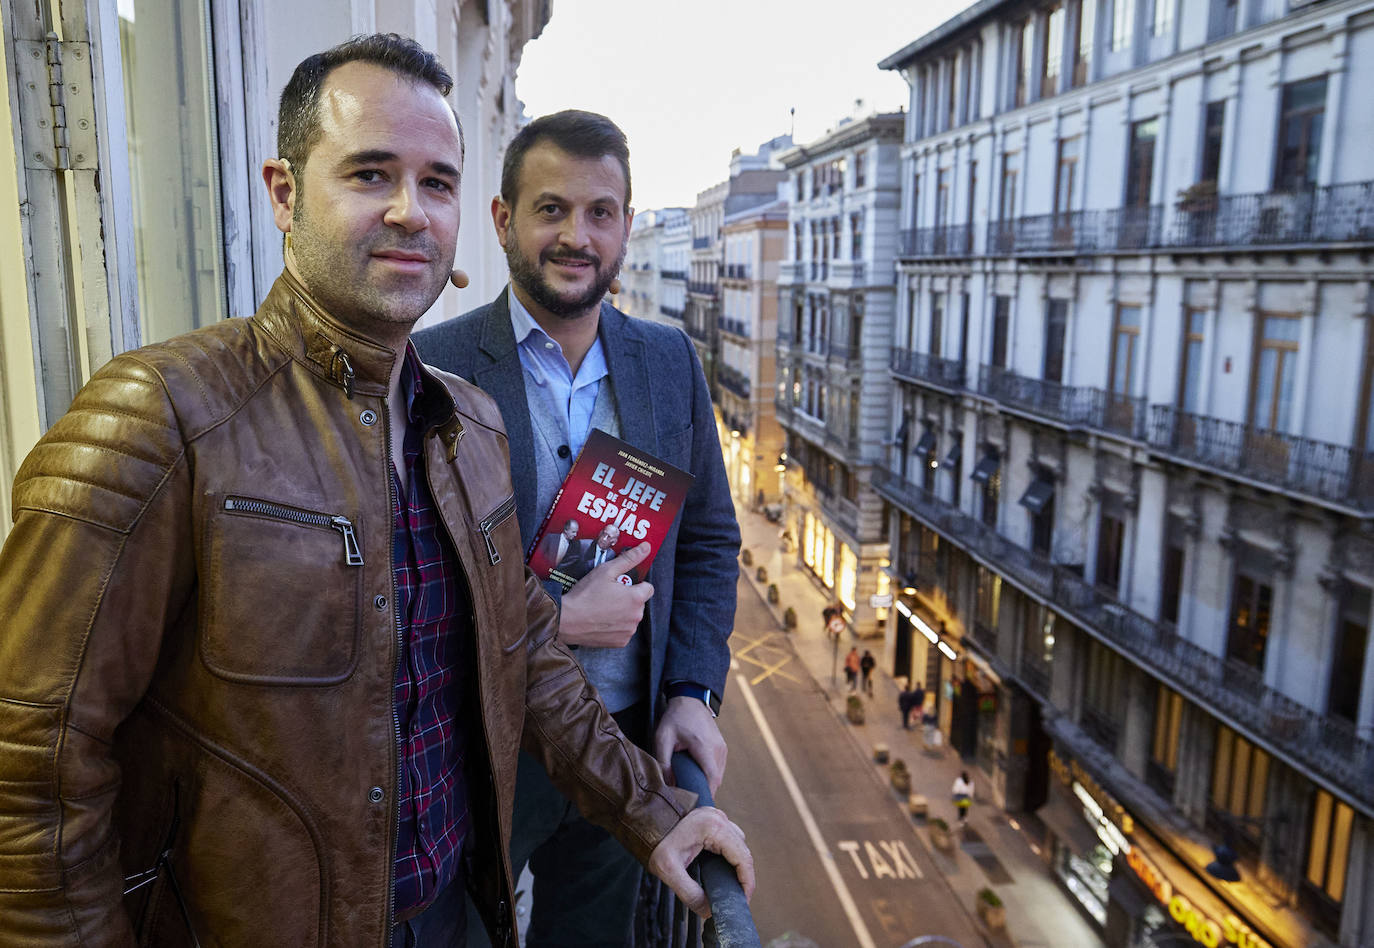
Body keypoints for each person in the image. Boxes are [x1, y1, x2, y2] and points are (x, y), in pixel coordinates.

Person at [0, 36, 752, 946]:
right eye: (369, 174)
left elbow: (523, 655)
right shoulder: (163, 417)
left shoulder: (465, 425)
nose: (410, 212)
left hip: (450, 914)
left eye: (435, 183)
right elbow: (30, 763)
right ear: (284, 193)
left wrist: (654, 810)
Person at [414, 109, 740, 947]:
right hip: (482, 751)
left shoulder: (669, 363)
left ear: (627, 227)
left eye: (601, 213)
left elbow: (707, 541)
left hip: (626, 749)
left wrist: (693, 691)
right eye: (551, 209)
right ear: (502, 219)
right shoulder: (434, 369)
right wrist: (557, 621)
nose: (576, 235)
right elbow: (409, 578)